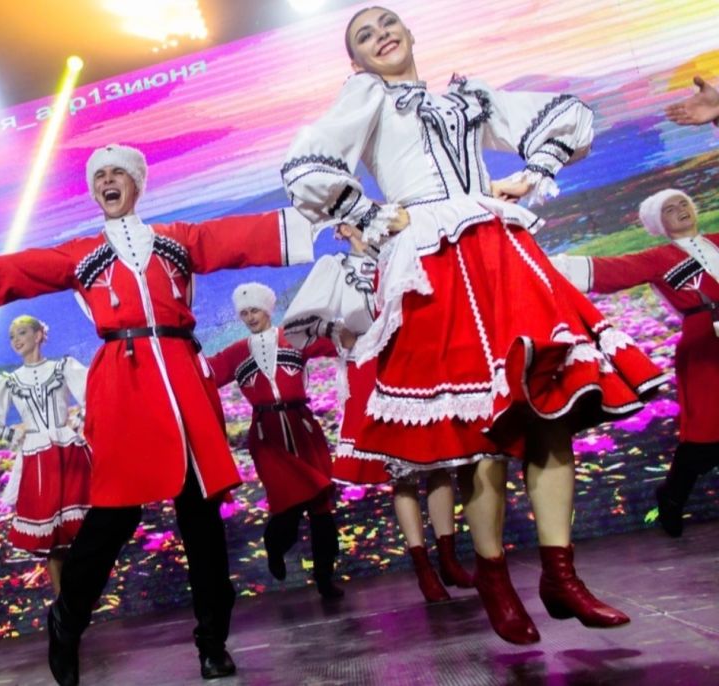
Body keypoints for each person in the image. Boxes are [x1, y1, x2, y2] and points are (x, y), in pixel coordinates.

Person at [281, 7, 669, 644]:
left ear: (411, 33)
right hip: (434, 262)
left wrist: (533, 172)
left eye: (387, 23)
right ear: (355, 61)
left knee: (548, 408)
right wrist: (372, 215)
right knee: (480, 432)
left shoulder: (465, 98)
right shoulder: (366, 98)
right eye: (364, 35)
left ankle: (561, 574)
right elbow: (307, 165)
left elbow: (565, 116)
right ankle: (494, 576)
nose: (381, 35)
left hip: (499, 250)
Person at [0, 143, 323, 683]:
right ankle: (67, 619)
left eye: (117, 173)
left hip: (182, 379)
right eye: (99, 175)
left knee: (201, 518)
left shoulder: (178, 240)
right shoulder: (82, 255)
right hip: (124, 384)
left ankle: (212, 643)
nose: (108, 180)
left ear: (136, 184)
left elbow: (242, 237)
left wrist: (332, 211)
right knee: (112, 517)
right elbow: (16, 269)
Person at [283, 224, 474, 603]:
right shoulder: (335, 268)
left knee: (437, 463)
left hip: (412, 361)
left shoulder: (398, 257)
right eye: (354, 223)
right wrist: (336, 330)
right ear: (342, 229)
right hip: (369, 369)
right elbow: (297, 324)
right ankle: (423, 568)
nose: (365, 229)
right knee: (402, 473)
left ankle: (449, 557)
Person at [552, 189, 718, 537]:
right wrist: (544, 265)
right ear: (659, 223)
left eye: (683, 203)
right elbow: (612, 271)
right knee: (706, 434)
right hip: (705, 345)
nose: (681, 210)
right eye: (670, 209)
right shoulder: (659, 258)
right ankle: (672, 496)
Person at [205, 282, 344, 598]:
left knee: (320, 505)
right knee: (288, 502)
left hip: (302, 427)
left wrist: (347, 327)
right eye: (244, 313)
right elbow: (206, 373)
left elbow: (335, 344)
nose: (250, 317)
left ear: (267, 309)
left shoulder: (293, 337)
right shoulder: (236, 353)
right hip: (267, 435)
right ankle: (275, 542)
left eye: (254, 310)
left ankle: (325, 577)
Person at [0, 315, 91, 596]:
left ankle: (84, 597)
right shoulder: (10, 381)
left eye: (22, 333)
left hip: (68, 453)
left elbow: (94, 391)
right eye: (12, 336)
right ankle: (64, 605)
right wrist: (8, 434)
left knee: (81, 532)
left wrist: (81, 420)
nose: (16, 340)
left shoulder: (61, 367)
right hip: (37, 461)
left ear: (38, 335)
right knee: (53, 542)